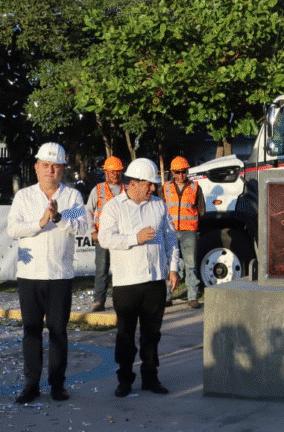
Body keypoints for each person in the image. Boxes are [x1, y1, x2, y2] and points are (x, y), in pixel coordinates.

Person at [6, 142, 88, 404]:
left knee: (58, 332)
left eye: (56, 166)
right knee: (31, 331)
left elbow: (81, 225)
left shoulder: (73, 197)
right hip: (30, 276)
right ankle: (31, 385)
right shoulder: (24, 197)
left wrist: (57, 218)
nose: (50, 170)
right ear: (36, 167)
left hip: (60, 276)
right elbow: (13, 229)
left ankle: (57, 385)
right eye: (45, 165)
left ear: (63, 169)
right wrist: (40, 222)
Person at [98, 158, 179, 398]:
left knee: (152, 334)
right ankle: (124, 379)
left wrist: (173, 268)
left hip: (154, 281)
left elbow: (171, 238)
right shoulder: (114, 207)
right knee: (126, 334)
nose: (153, 189)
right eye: (149, 184)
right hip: (127, 283)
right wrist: (135, 238)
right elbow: (105, 239)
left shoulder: (159, 206)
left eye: (154, 184)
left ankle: (150, 377)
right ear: (133, 183)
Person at [162, 156, 205, 308]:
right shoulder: (165, 188)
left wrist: (192, 225)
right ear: (173, 172)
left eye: (184, 172)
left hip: (189, 232)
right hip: (170, 232)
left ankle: (192, 297)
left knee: (190, 264)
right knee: (169, 264)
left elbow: (201, 210)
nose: (181, 175)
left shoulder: (195, 188)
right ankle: (167, 296)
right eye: (178, 172)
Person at [86, 156, 125, 312]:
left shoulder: (127, 190)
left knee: (121, 270)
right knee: (101, 269)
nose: (114, 175)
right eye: (111, 172)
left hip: (121, 237)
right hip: (102, 236)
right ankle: (98, 300)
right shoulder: (98, 190)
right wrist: (92, 231)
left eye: (117, 172)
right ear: (105, 172)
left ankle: (121, 301)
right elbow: (88, 211)